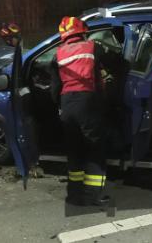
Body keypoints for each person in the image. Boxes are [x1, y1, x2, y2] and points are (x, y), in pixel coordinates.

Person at [50, 16, 113, 206]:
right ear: (81, 31)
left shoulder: (57, 55)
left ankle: (74, 195)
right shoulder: (93, 47)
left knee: (74, 150)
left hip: (68, 105)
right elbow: (118, 65)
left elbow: (54, 88)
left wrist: (59, 105)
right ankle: (93, 195)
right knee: (94, 148)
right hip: (88, 103)